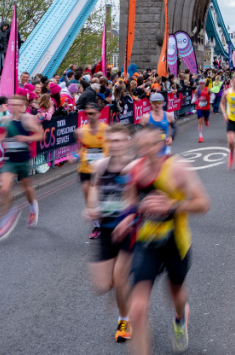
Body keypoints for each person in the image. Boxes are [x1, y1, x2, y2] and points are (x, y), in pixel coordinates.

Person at [114, 124, 211, 355]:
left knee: (175, 293)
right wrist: (126, 219)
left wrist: (172, 205)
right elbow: (130, 203)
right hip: (146, 242)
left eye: (150, 144)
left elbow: (203, 203)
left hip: (175, 243)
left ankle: (180, 317)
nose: (145, 150)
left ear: (160, 144)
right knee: (137, 309)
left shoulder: (178, 168)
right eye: (141, 145)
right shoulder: (134, 170)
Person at [85, 124, 135, 343]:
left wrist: (130, 215)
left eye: (119, 140)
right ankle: (120, 293)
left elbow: (141, 197)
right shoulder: (100, 166)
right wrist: (91, 207)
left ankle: (124, 321)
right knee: (103, 285)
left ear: (127, 142)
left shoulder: (135, 167)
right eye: (111, 141)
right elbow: (95, 189)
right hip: (106, 229)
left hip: (130, 230)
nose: (114, 145)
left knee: (120, 278)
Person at [0, 95, 45, 241]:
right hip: (10, 159)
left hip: (23, 159)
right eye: (11, 104)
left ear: (23, 106)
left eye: (17, 104)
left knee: (27, 189)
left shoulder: (28, 119)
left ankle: (33, 207)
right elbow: (5, 132)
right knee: (4, 189)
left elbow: (40, 135)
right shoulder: (7, 119)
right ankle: (6, 219)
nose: (13, 107)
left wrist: (27, 138)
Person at [77, 102, 108, 239]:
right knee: (88, 197)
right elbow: (82, 149)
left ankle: (106, 222)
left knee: (100, 198)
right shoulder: (83, 130)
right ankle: (97, 226)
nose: (89, 116)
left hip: (101, 169)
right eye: (87, 114)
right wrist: (74, 156)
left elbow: (109, 150)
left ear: (98, 114)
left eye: (92, 113)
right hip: (85, 168)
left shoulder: (106, 129)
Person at [194, 78, 211, 143]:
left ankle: (206, 120)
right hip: (199, 107)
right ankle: (201, 136)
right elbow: (195, 97)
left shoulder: (207, 89)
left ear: (204, 84)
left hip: (207, 107)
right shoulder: (197, 90)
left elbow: (211, 94)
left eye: (203, 83)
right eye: (200, 83)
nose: (201, 85)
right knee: (200, 120)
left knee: (206, 119)